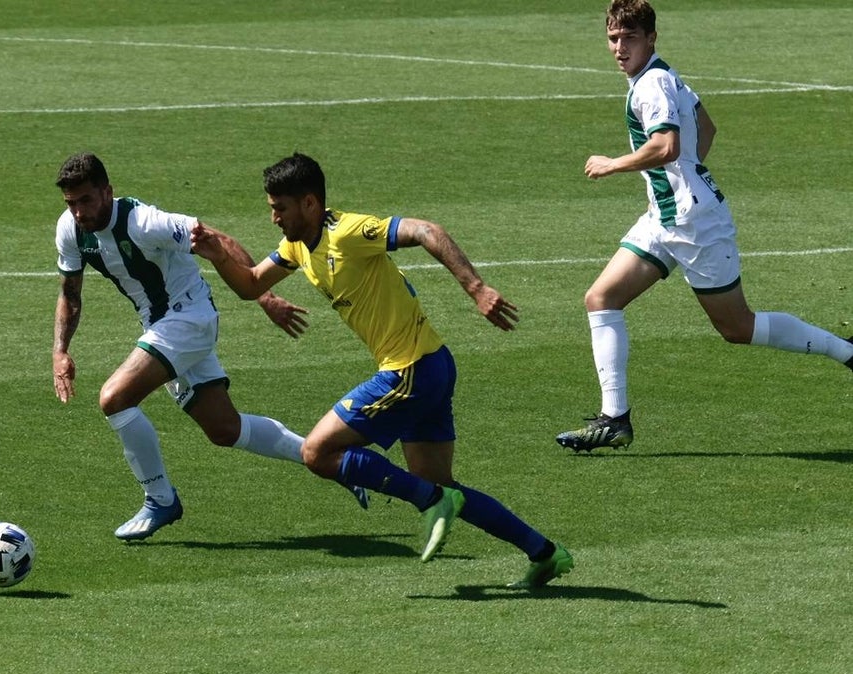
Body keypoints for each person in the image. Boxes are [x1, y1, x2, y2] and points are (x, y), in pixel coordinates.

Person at [191, 152, 572, 588]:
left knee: (317, 453)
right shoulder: (297, 245)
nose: (274, 218)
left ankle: (431, 501)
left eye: (281, 208)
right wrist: (218, 254)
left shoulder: (350, 231)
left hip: (410, 370)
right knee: (439, 479)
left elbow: (428, 231)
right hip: (431, 365)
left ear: (310, 204)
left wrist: (477, 287)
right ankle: (544, 553)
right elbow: (252, 285)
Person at [556, 0, 853, 452]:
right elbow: (706, 127)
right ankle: (614, 418)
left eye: (629, 38)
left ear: (651, 38)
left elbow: (667, 145)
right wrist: (686, 179)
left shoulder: (651, 84)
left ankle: (846, 351)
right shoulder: (662, 75)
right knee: (601, 298)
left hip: (693, 224)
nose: (619, 48)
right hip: (667, 215)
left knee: (738, 328)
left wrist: (615, 164)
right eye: (613, 38)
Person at [51, 151, 367, 541]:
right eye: (71, 203)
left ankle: (159, 499)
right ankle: (338, 463)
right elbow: (70, 292)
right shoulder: (70, 229)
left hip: (189, 319)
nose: (79, 212)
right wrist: (60, 350)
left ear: (107, 192)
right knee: (225, 429)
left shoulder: (145, 222)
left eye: (86, 200)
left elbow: (220, 240)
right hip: (162, 327)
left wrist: (264, 298)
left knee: (114, 398)